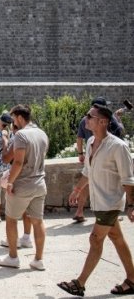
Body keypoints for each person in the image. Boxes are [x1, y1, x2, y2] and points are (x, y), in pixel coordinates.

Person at [57, 104, 134, 297]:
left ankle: (79, 283)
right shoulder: (91, 141)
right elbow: (87, 172)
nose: (86, 118)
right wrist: (77, 189)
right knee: (117, 238)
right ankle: (132, 280)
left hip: (110, 203)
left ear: (103, 122)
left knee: (95, 239)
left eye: (90, 116)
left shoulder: (118, 147)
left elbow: (128, 179)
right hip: (99, 202)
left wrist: (132, 205)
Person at [0, 104, 48, 271]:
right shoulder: (42, 133)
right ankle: (38, 259)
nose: (13, 122)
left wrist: (10, 182)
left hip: (23, 184)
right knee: (38, 222)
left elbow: (16, 162)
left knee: (11, 219)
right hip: (39, 183)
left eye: (13, 119)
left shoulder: (21, 135)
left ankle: (13, 257)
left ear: (19, 117)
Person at [73, 97, 125, 223]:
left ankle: (80, 211)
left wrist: (80, 153)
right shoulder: (103, 121)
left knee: (88, 182)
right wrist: (118, 118)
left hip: (93, 154)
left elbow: (79, 138)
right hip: (97, 155)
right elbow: (120, 131)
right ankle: (111, 215)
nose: (87, 118)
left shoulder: (87, 120)